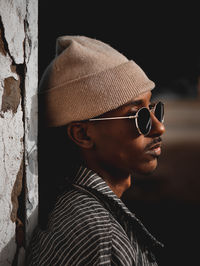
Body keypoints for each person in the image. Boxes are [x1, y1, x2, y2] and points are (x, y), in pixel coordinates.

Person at [26, 35, 165, 265]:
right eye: (138, 115)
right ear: (82, 134)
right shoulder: (93, 232)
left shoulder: (90, 216)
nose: (159, 127)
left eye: (154, 109)